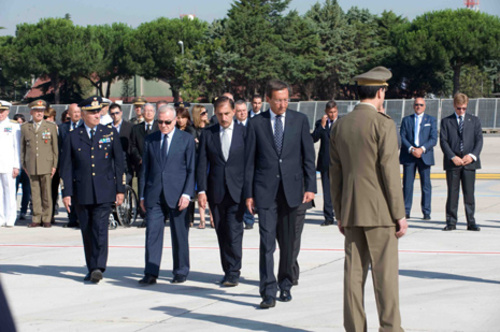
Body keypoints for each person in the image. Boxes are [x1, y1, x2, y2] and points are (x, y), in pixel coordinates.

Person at [330, 66, 407, 331]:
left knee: (353, 278)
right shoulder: (382, 124)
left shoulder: (340, 125)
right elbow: (389, 171)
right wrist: (400, 214)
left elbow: (335, 175)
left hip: (351, 212)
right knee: (385, 279)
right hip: (380, 213)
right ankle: (390, 328)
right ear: (380, 92)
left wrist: (340, 212)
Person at [244, 79, 316, 309]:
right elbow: (249, 163)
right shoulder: (256, 124)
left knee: (288, 243)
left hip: (292, 191)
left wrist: (311, 187)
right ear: (268, 100)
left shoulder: (300, 121)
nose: (283, 104)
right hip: (265, 193)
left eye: (286, 99)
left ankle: (285, 283)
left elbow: (308, 157)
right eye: (278, 100)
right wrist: (249, 194)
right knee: (267, 243)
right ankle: (268, 290)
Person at [60, 96, 125, 283]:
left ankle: (98, 266)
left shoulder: (109, 132)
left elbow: (119, 164)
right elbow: (66, 167)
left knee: (100, 229)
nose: (97, 115)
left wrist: (120, 189)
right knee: (87, 230)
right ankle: (91, 266)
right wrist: (66, 193)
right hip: (82, 191)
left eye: (99, 111)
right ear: (84, 114)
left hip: (104, 190)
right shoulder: (73, 136)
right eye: (93, 112)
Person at [138, 104, 195, 285]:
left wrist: (187, 194)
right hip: (154, 194)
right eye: (160, 122)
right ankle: (151, 271)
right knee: (152, 233)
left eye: (167, 122)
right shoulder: (150, 140)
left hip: (178, 195)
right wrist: (142, 196)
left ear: (175, 121)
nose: (163, 125)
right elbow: (145, 169)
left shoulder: (186, 139)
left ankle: (180, 270)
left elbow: (191, 169)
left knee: (179, 235)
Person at [197, 96, 246, 287]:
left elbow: (250, 164)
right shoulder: (208, 134)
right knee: (222, 232)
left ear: (234, 112)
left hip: (237, 190)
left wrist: (250, 192)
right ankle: (227, 269)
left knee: (234, 231)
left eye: (226, 113)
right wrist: (201, 190)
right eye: (219, 114)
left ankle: (234, 270)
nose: (223, 118)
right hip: (216, 191)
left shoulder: (245, 132)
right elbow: (202, 164)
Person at [440, 93, 483, 231]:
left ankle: (471, 221)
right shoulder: (446, 121)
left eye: (464, 108)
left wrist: (472, 156)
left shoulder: (474, 120)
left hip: (469, 163)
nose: (461, 111)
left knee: (469, 194)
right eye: (459, 108)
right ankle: (451, 222)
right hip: (453, 163)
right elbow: (443, 141)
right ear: (454, 106)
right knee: (452, 194)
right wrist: (453, 157)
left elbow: (479, 141)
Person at [21, 100, 58, 228]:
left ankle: (47, 217)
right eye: (37, 111)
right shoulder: (26, 127)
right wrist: (23, 164)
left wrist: (54, 165)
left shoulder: (50, 126)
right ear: (31, 112)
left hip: (46, 164)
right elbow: (23, 148)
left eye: (41, 111)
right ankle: (36, 217)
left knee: (47, 192)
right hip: (31, 164)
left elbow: (55, 148)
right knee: (35, 193)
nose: (39, 113)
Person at [399, 98, 438, 220]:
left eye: (421, 105)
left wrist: (422, 149)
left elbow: (433, 139)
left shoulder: (431, 120)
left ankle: (426, 212)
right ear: (413, 106)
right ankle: (406, 210)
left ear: (425, 106)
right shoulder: (406, 120)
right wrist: (412, 149)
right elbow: (402, 137)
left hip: (424, 156)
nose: (418, 107)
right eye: (416, 105)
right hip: (409, 156)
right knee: (407, 184)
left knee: (426, 185)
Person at [312, 100, 339, 226]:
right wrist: (322, 127)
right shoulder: (320, 123)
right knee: (327, 191)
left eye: (334, 112)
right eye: (330, 112)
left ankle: (341, 216)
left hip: (340, 162)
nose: (332, 115)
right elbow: (314, 138)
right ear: (326, 112)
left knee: (340, 191)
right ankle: (328, 217)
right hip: (325, 162)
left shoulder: (342, 123)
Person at [130, 103, 158, 212]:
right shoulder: (136, 128)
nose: (148, 113)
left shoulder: (159, 127)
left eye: (151, 110)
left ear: (154, 112)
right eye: (146, 111)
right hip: (142, 165)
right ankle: (143, 213)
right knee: (142, 189)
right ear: (142, 112)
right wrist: (139, 158)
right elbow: (132, 146)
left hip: (157, 164)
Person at [58, 103, 82, 228]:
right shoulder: (63, 128)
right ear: (69, 114)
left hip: (80, 165)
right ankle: (71, 218)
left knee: (79, 191)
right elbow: (59, 147)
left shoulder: (84, 126)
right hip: (67, 165)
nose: (77, 114)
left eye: (79, 112)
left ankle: (80, 218)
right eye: (74, 112)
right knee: (67, 190)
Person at [191, 104, 213, 229]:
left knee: (211, 189)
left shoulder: (210, 128)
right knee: (201, 189)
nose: (206, 115)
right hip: (199, 163)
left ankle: (212, 217)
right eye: (203, 113)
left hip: (210, 162)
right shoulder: (193, 130)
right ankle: (202, 219)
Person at [234, 100, 254, 230]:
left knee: (249, 192)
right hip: (236, 166)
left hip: (250, 164)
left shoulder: (253, 125)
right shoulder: (232, 126)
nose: (242, 113)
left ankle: (249, 218)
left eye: (244, 111)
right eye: (239, 111)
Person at [0, 101, 21, 227]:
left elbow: (17, 147)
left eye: (2, 111)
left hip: (9, 164)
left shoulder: (13, 126)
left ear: (8, 111)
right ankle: (1, 217)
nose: (0, 114)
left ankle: (11, 218)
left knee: (9, 191)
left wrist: (16, 165)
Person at [110, 103, 134, 185]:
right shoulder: (107, 128)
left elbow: (132, 145)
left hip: (126, 163)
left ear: (121, 112)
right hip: (111, 163)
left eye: (117, 113)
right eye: (112, 114)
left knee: (126, 188)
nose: (115, 115)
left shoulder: (130, 127)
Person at [13, 114, 31, 220]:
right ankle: (12, 210)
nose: (19, 124)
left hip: (26, 166)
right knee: (13, 190)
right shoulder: (13, 133)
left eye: (21, 122)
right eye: (17, 122)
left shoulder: (27, 133)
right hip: (16, 165)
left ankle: (23, 211)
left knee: (26, 190)